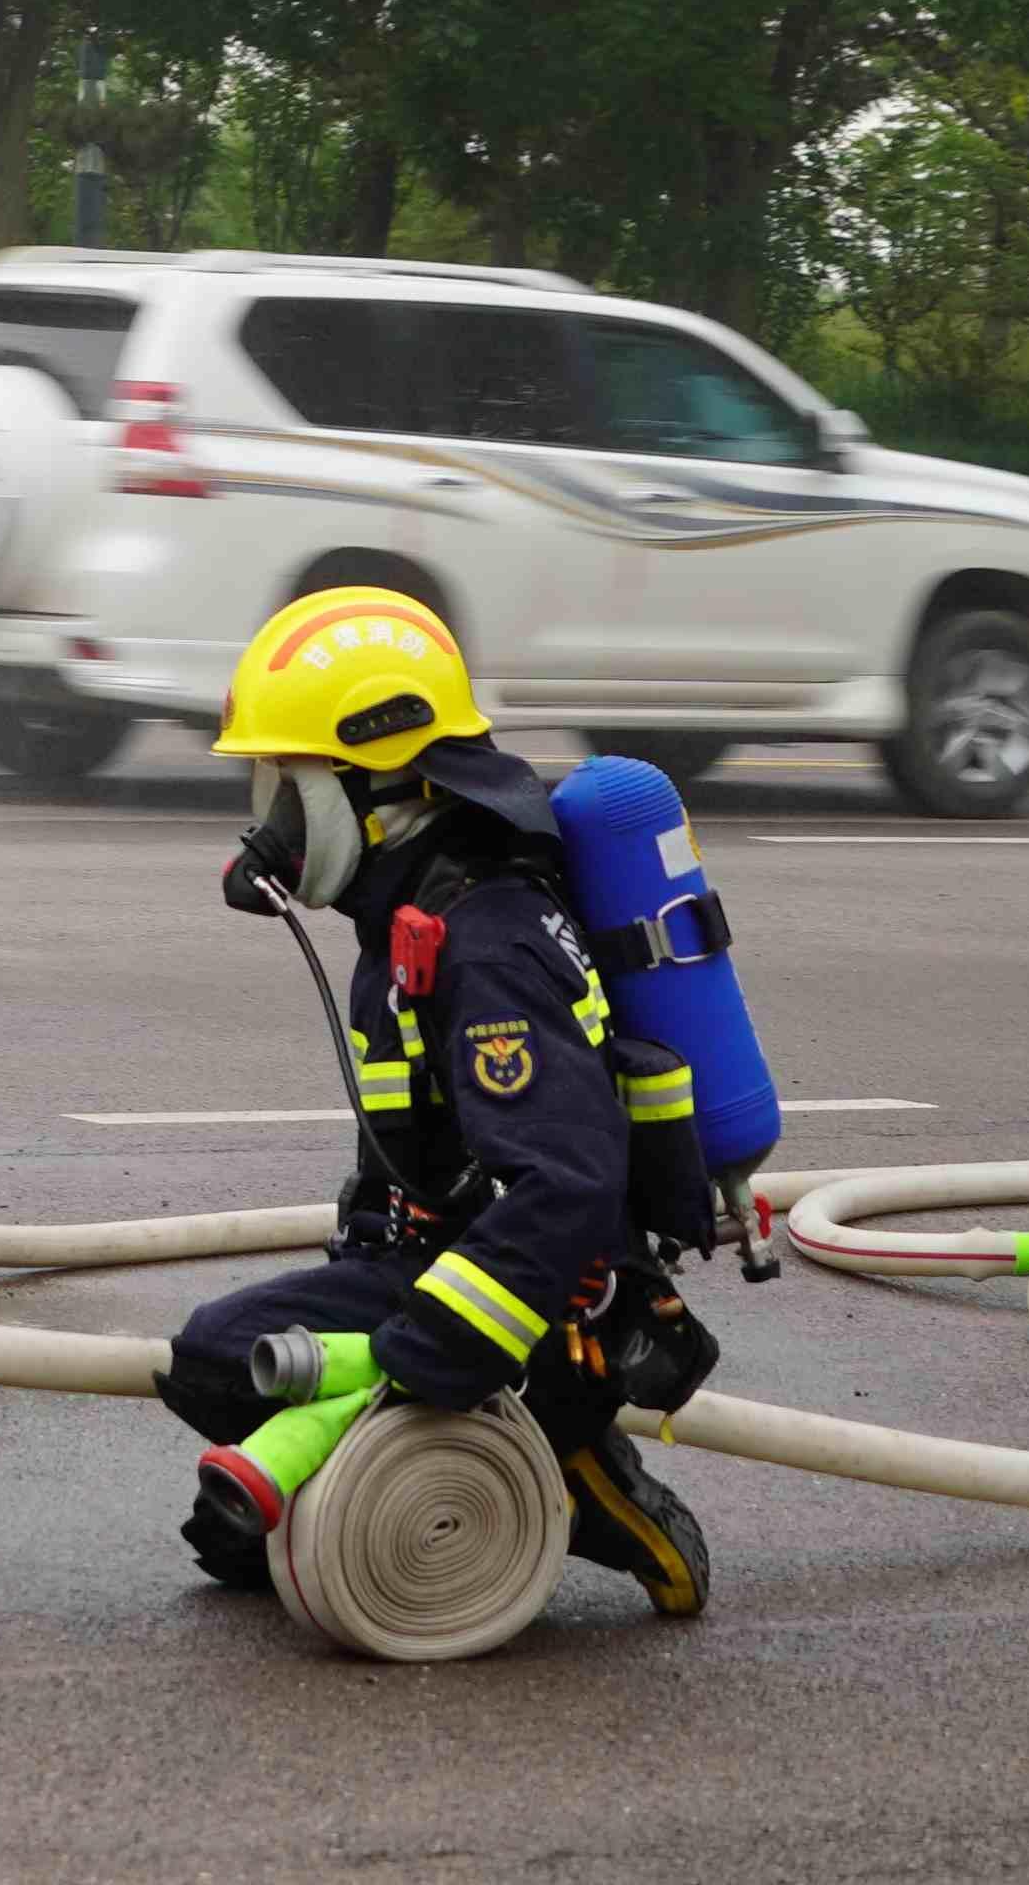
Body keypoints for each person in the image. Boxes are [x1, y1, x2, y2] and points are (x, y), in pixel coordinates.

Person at [150, 585, 718, 1617]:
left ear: (379, 780)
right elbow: (410, 1142)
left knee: (254, 1362)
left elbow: (570, 1180)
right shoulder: (411, 911)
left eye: (287, 787)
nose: (268, 828)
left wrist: (433, 1347)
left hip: (547, 1301)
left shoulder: (482, 943)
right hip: (454, 1255)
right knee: (214, 1359)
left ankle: (572, 1460)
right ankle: (350, 1480)